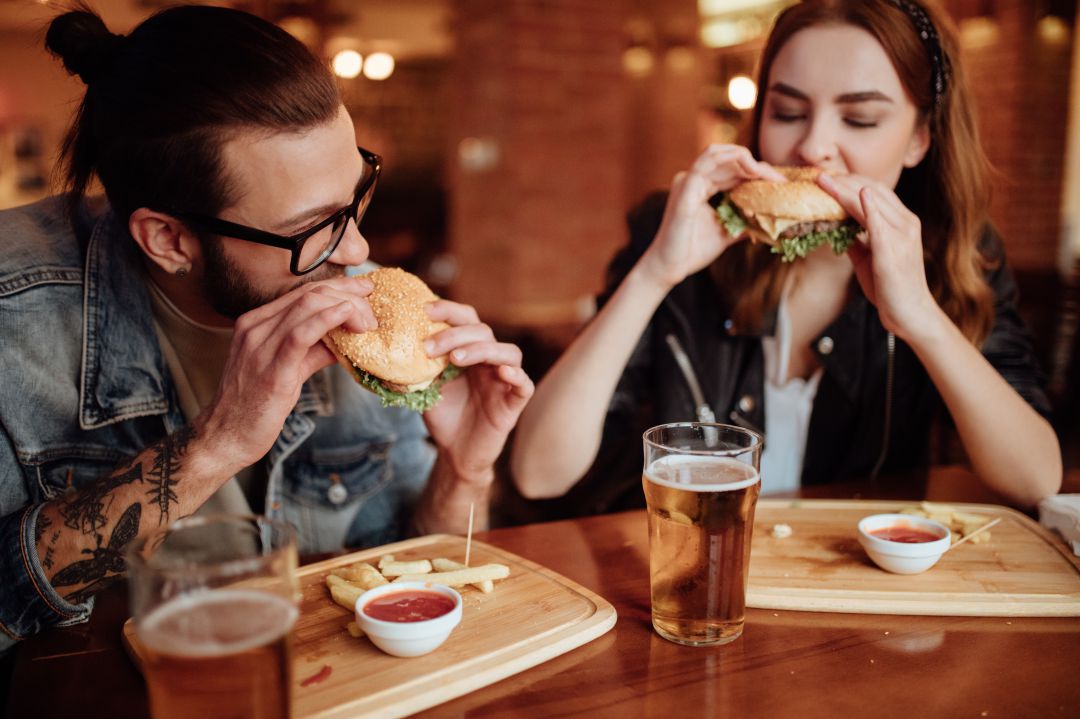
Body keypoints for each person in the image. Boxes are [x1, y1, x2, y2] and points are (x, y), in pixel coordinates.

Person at [0, 5, 533, 650]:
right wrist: (216, 446)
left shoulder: (366, 316)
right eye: (311, 228)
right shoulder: (16, 317)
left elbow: (403, 566)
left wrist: (464, 470)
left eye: (356, 195)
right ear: (169, 239)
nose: (359, 251)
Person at [511, 0, 1061, 515]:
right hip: (682, 583)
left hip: (853, 593)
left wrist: (920, 317)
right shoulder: (678, 226)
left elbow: (1036, 479)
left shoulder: (956, 253)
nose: (813, 146)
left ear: (920, 137)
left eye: (860, 119)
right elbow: (538, 472)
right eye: (788, 111)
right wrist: (657, 271)